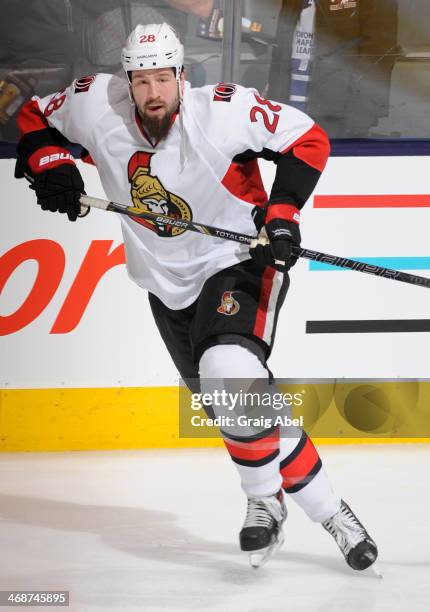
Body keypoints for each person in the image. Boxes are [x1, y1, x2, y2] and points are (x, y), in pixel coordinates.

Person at [14, 22, 378, 571]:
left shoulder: (224, 111)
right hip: (166, 285)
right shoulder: (95, 104)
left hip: (236, 262)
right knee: (239, 404)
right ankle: (296, 502)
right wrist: (49, 160)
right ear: (127, 81)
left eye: (164, 78)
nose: (153, 92)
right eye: (142, 81)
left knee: (229, 372)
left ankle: (301, 508)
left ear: (183, 77)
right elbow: (33, 115)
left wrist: (280, 215)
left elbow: (309, 139)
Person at [267, 0, 399, 137]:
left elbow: (379, 52)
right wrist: (273, 100)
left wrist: (361, 113)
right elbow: (282, 45)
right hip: (288, 107)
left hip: (337, 113)